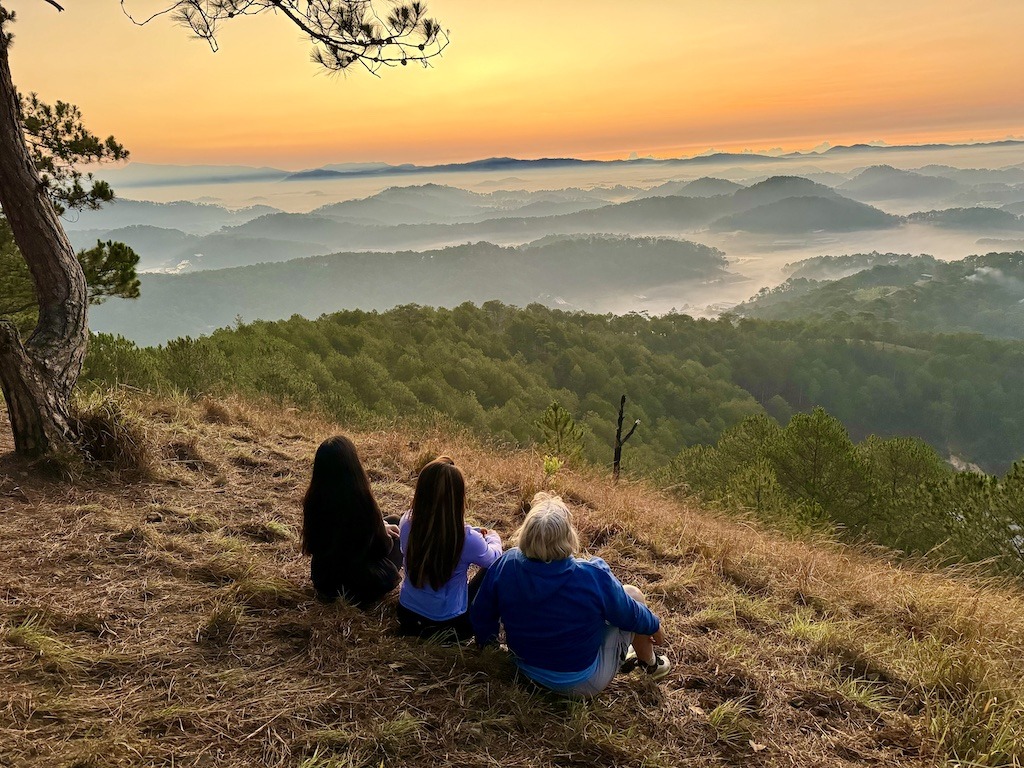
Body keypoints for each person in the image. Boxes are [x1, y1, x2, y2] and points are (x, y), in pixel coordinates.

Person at [471, 492, 670, 697]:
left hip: (524, 670)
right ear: (568, 536)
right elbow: (630, 614)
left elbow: (482, 612)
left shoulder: (507, 564)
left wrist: (489, 648)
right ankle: (651, 665)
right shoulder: (591, 575)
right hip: (582, 683)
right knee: (633, 595)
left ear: (526, 533)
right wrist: (654, 624)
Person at [398, 456, 503, 641]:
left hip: (407, 615)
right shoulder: (467, 538)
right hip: (450, 627)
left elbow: (435, 533)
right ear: (458, 497)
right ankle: (488, 637)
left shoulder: (406, 522)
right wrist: (494, 536)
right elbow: (494, 558)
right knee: (496, 568)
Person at [301, 435, 402, 607]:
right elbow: (383, 548)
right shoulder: (362, 502)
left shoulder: (313, 499)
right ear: (353, 466)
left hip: (325, 583)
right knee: (398, 530)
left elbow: (314, 543)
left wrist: (380, 526)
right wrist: (380, 530)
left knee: (391, 521)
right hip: (358, 589)